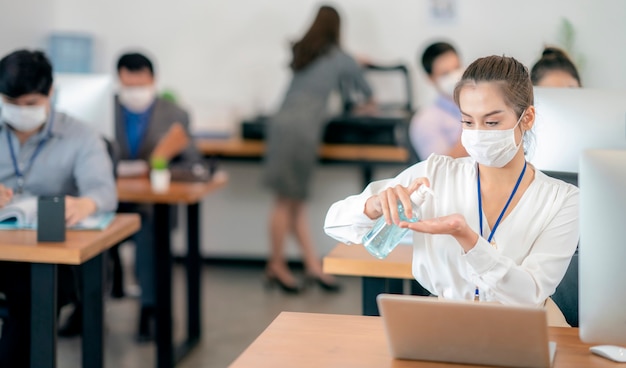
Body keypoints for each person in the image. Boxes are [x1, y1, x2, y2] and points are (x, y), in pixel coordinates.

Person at [324, 55, 579, 326]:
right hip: (447, 325)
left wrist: (467, 238)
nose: (478, 133)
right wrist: (373, 206)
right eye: (468, 122)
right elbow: (334, 223)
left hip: (529, 328)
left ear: (526, 118)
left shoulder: (563, 199)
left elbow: (529, 294)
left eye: (491, 123)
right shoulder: (435, 174)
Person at [0, 49, 116, 366]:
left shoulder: (81, 136)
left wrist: (85, 203)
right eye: (10, 104)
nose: (20, 112)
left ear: (50, 93)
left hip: (51, 255)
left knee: (30, 298)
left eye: (30, 105)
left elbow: (104, 191)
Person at [263, 5, 374, 293]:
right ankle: (276, 265)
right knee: (286, 202)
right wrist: (360, 64)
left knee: (293, 201)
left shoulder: (304, 52)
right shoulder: (340, 57)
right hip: (302, 131)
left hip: (281, 125)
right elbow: (366, 94)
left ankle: (312, 266)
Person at [114, 51, 199, 342]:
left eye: (141, 85)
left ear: (153, 80)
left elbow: (192, 165)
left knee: (149, 233)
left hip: (152, 204)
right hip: (110, 199)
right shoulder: (105, 110)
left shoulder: (176, 114)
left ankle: (150, 308)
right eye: (129, 86)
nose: (135, 92)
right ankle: (80, 306)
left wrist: (159, 164)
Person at [409, 41, 467, 161]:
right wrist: (474, 127)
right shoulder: (426, 121)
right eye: (445, 74)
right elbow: (440, 168)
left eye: (457, 68)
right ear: (431, 78)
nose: (455, 77)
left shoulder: (479, 105)